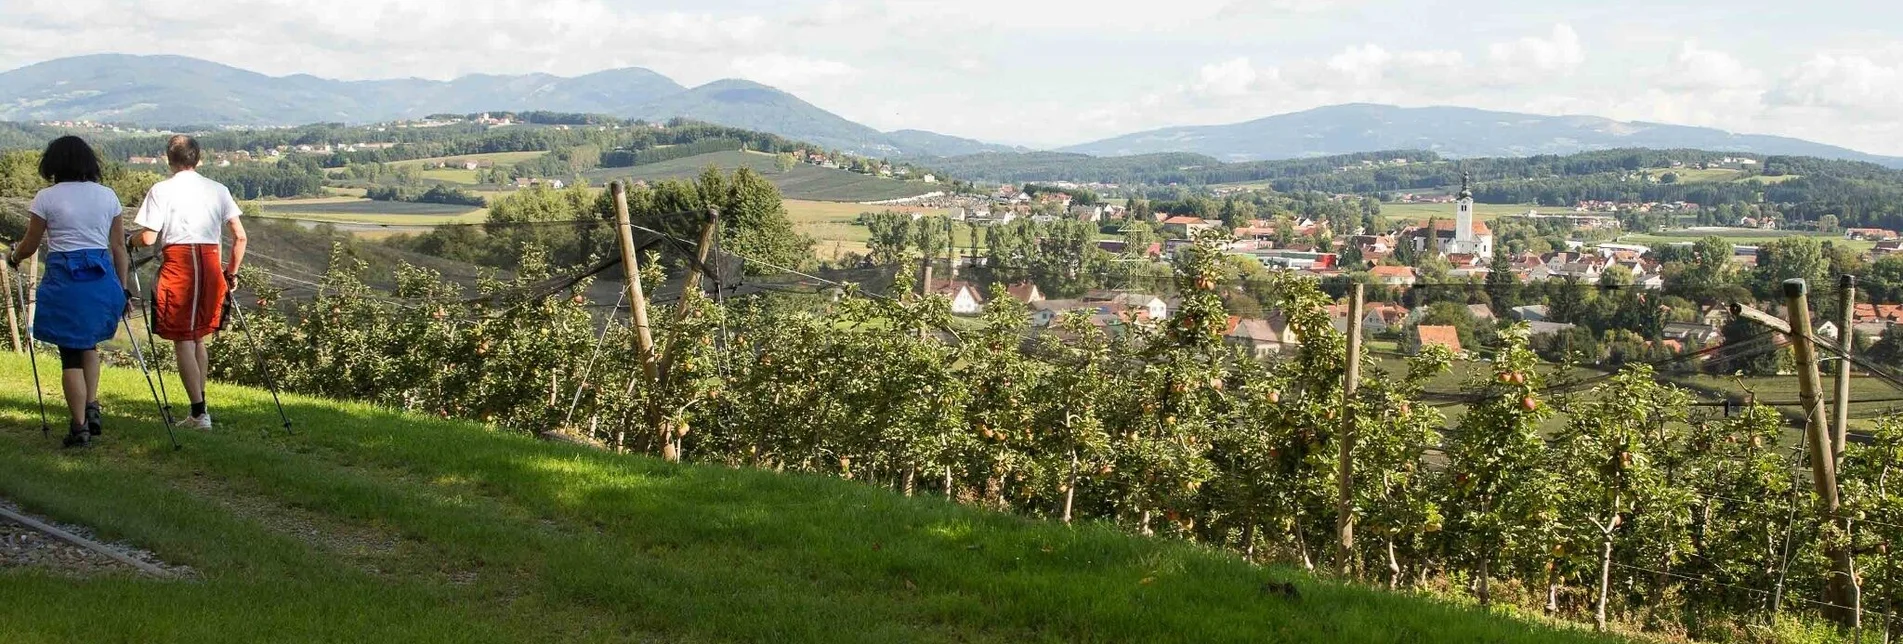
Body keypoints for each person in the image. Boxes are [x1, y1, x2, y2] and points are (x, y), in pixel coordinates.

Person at [4, 136, 132, 448]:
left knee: (70, 354)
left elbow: (31, 243)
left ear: (53, 165)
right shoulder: (108, 196)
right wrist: (123, 289)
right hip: (102, 276)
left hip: (66, 277)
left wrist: (14, 257)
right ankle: (92, 405)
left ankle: (79, 428)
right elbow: (118, 247)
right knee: (89, 344)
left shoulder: (46, 197)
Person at [132, 135, 248, 430]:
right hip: (210, 265)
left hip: (179, 265)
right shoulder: (218, 189)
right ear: (198, 159)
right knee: (198, 337)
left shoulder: (161, 190)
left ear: (169, 160)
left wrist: (129, 240)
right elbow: (240, 236)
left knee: (183, 338)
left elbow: (147, 238)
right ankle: (201, 406)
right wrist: (230, 274)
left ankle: (199, 413)